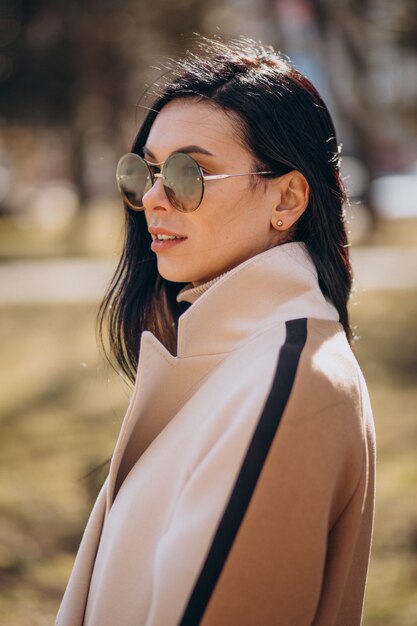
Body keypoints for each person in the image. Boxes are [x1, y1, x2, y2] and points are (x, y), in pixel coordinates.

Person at [56, 37, 376, 626]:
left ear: (286, 198)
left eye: (188, 172)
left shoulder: (291, 384)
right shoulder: (232, 361)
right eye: (146, 171)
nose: (152, 198)